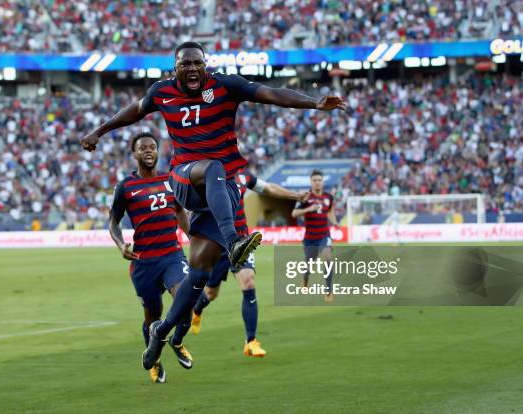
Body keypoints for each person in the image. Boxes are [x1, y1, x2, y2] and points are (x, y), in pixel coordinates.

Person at [81, 41, 346, 370]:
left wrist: (315, 103)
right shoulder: (162, 92)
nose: (192, 69)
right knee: (214, 166)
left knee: (196, 278)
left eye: (197, 63)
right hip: (184, 179)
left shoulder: (225, 85)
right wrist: (99, 130)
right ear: (174, 68)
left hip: (217, 199)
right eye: (185, 64)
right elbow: (134, 111)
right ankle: (235, 243)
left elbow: (271, 93)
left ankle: (163, 334)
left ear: (205, 65)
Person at [191, 169, 309, 357]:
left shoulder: (243, 176)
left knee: (249, 282)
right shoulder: (206, 174)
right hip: (216, 242)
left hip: (241, 241)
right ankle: (197, 310)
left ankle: (251, 341)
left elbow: (268, 188)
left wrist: (295, 195)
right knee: (211, 293)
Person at [109, 132, 193, 383]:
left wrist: (193, 236)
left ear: (158, 152)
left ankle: (176, 341)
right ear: (134, 154)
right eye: (143, 148)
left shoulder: (171, 180)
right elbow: (113, 221)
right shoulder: (125, 187)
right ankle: (154, 360)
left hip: (171, 255)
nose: (148, 151)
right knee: (153, 316)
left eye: (153, 147)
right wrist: (120, 243)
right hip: (144, 262)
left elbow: (179, 210)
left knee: (185, 301)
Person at [291, 170, 338, 301]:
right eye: (315, 180)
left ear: (323, 182)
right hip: (310, 238)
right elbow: (294, 214)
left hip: (324, 235)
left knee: (328, 257)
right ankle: (305, 281)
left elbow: (330, 211)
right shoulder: (305, 197)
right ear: (311, 182)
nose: (317, 182)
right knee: (309, 265)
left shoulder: (328, 197)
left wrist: (335, 222)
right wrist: (308, 209)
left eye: (319, 180)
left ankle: (329, 291)